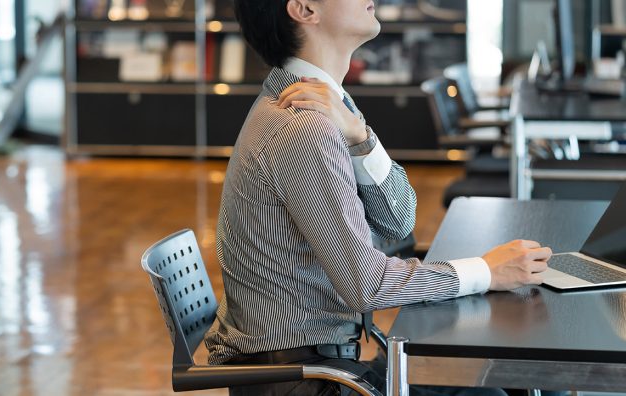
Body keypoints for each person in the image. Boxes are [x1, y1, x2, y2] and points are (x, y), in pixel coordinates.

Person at [204, 0, 553, 394]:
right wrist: (487, 271)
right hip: (305, 381)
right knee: (500, 386)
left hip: (321, 365)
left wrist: (361, 136)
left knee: (504, 378)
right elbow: (366, 285)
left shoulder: (327, 104)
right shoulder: (301, 124)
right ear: (304, 9)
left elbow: (398, 220)